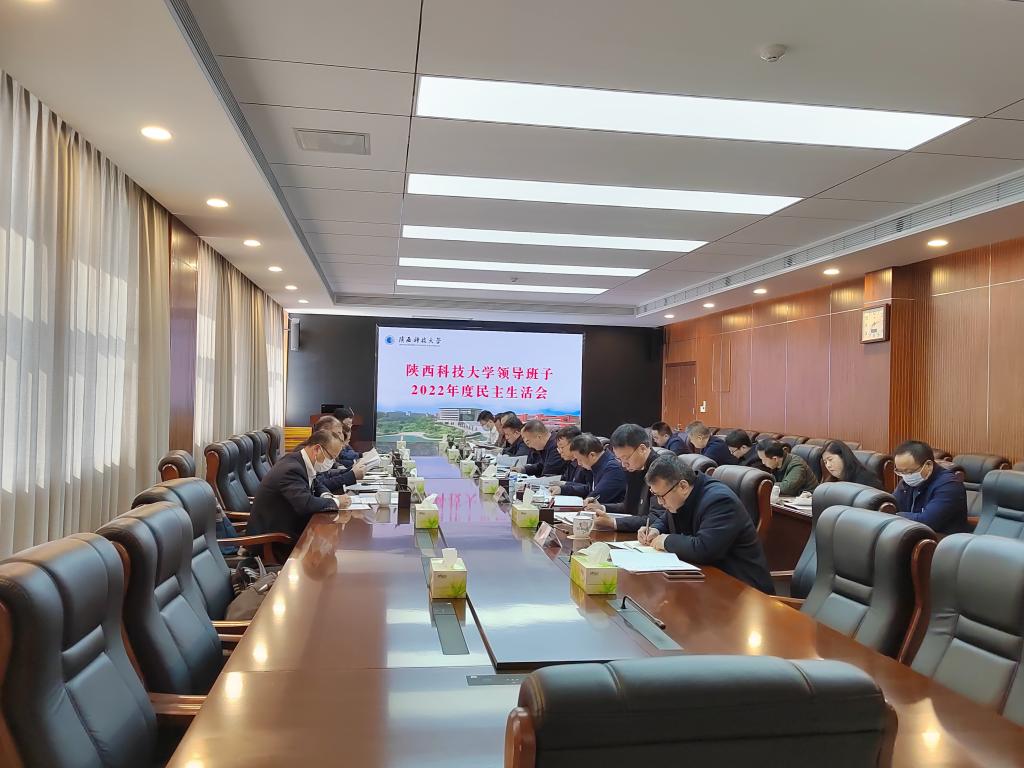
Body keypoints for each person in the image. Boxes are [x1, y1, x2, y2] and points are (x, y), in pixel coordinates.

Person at [638, 456, 774, 593]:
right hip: (708, 580)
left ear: (683, 486)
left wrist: (665, 540)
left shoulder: (720, 501)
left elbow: (704, 549)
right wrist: (655, 529)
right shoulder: (685, 494)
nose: (660, 502)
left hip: (744, 590)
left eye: (661, 496)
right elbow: (667, 517)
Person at [247, 430, 351, 550]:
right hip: (274, 541)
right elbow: (305, 504)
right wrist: (336, 502)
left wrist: (327, 496)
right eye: (331, 457)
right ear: (317, 449)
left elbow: (316, 483)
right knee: (327, 546)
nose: (332, 463)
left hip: (289, 528)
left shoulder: (299, 461)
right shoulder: (291, 470)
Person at [583, 423, 666, 531]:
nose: (623, 464)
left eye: (626, 458)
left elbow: (656, 518)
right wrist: (602, 507)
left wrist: (613, 523)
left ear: (642, 449)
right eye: (619, 459)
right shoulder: (634, 467)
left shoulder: (661, 470)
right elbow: (629, 506)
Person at [892, 440, 969, 534]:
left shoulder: (950, 485)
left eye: (909, 472)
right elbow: (893, 504)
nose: (905, 476)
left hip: (943, 539)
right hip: (913, 534)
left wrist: (894, 515)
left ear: (928, 465)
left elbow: (927, 521)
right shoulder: (907, 481)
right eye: (900, 472)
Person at [570, 434, 626, 504]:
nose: (579, 463)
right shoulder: (596, 464)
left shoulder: (613, 469)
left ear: (592, 455)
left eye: (580, 459)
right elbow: (589, 489)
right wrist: (562, 489)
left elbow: (596, 497)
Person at [548, 425, 591, 497]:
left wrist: (563, 487)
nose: (560, 451)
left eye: (562, 447)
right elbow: (565, 480)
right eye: (558, 448)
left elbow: (588, 489)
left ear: (574, 444)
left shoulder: (585, 463)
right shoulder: (570, 462)